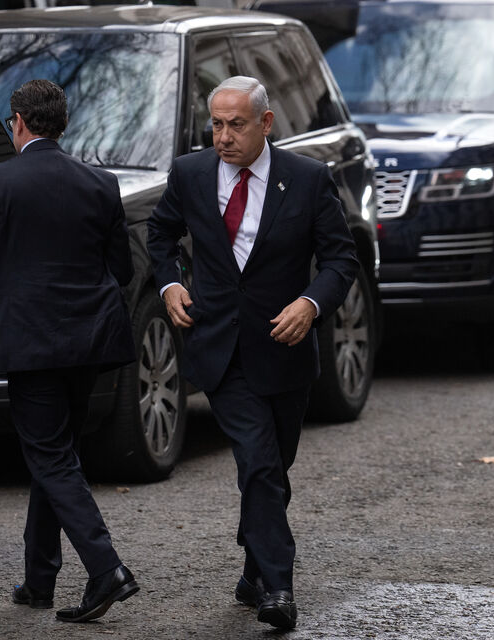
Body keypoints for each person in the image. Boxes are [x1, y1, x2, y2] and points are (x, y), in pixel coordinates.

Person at [146, 77, 358, 630]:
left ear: (265, 124)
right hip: (219, 348)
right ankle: (278, 589)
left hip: (283, 349)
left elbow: (341, 260)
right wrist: (170, 284)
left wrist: (311, 303)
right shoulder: (190, 174)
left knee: (274, 471)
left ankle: (251, 571)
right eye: (215, 124)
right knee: (259, 462)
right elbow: (161, 236)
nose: (222, 136)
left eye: (235, 124)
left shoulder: (308, 181)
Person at [0, 79, 139, 624]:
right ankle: (39, 579)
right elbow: (121, 270)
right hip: (88, 344)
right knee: (56, 456)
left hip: (31, 345)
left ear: (19, 122)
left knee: (51, 458)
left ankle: (106, 569)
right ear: (62, 123)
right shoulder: (100, 183)